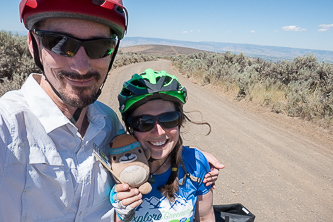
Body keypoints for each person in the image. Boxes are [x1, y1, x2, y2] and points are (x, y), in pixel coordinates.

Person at [0, 1, 223, 221]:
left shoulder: (108, 122)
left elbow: (147, 142)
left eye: (99, 46)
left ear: (112, 52)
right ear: (33, 44)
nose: (81, 65)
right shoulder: (7, 125)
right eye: (59, 43)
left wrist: (189, 156)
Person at [111, 69, 215, 221]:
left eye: (169, 119)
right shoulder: (113, 170)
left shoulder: (195, 163)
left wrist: (197, 159)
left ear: (180, 122)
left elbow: (205, 217)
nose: (158, 131)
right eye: (144, 122)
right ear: (130, 127)